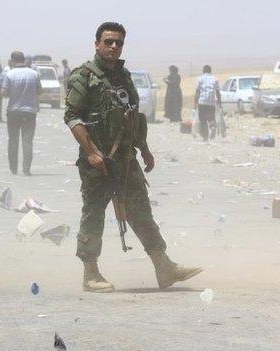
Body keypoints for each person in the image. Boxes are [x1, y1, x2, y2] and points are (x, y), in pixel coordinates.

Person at [64, 22, 202, 293]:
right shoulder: (84, 76)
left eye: (118, 42)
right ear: (97, 44)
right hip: (99, 163)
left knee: (141, 212)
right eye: (108, 41)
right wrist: (91, 152)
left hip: (127, 160)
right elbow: (72, 116)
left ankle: (164, 267)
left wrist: (145, 148)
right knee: (93, 214)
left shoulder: (124, 77)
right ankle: (90, 273)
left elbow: (133, 116)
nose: (114, 46)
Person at [2, 52, 41, 176]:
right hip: (29, 112)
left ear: (13, 60)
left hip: (13, 112)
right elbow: (39, 91)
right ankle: (26, 169)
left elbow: (4, 92)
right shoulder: (34, 74)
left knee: (13, 140)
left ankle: (13, 169)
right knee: (27, 141)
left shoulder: (9, 74)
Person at [194, 65, 221, 141]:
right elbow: (218, 92)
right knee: (211, 118)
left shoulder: (200, 79)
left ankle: (205, 137)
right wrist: (219, 101)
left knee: (203, 120)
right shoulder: (215, 79)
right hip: (211, 102)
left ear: (203, 71)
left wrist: (195, 103)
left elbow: (197, 92)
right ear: (210, 71)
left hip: (202, 102)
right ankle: (213, 127)